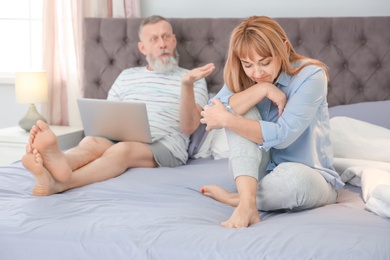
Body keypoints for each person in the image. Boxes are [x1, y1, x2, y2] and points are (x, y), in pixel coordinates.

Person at [22, 15, 215, 196]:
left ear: (173, 40)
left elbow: (189, 127)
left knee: (122, 150)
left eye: (165, 37)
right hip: (119, 137)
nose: (162, 44)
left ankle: (61, 183)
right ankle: (60, 162)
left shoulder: (193, 79)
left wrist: (186, 84)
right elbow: (106, 118)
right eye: (154, 39)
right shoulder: (127, 76)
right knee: (91, 142)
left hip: (166, 147)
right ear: (142, 47)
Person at [199, 16, 344, 228]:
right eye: (248, 64)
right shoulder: (247, 78)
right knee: (241, 110)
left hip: (309, 176)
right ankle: (249, 203)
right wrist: (261, 89)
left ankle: (238, 199)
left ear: (283, 48)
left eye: (265, 62)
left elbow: (283, 136)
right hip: (256, 173)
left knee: (294, 182)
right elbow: (211, 113)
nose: (257, 73)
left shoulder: (311, 75)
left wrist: (227, 118)